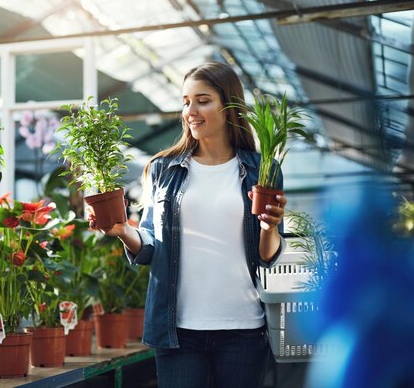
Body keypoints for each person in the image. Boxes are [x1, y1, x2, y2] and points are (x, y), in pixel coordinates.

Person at [90, 62, 286, 388]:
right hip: (178, 331)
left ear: (230, 106)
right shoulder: (163, 169)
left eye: (203, 100)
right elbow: (151, 243)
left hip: (244, 328)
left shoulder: (261, 169)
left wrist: (270, 228)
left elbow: (268, 256)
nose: (190, 111)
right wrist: (124, 231)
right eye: (185, 101)